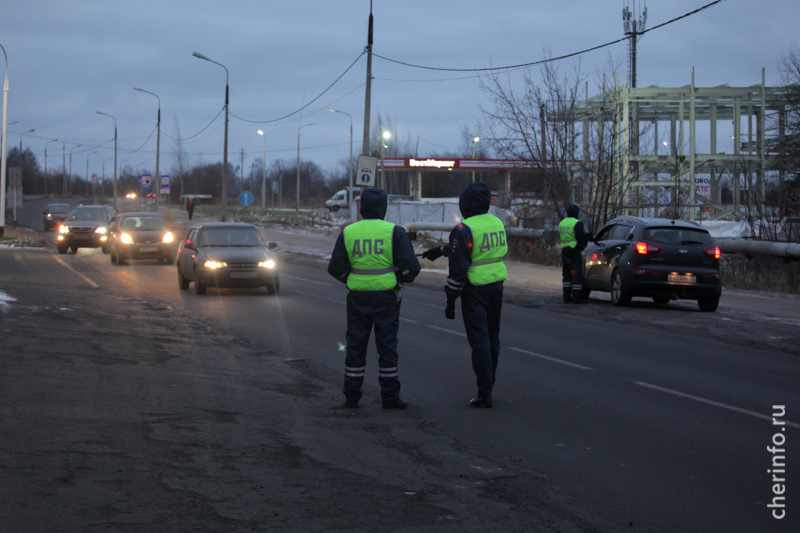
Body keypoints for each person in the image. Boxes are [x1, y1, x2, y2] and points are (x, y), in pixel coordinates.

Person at [327, 187, 421, 410]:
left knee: (355, 347)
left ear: (362, 207)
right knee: (387, 347)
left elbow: (335, 268)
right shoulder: (394, 232)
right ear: (383, 207)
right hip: (386, 299)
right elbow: (412, 268)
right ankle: (390, 397)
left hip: (358, 299)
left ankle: (351, 397)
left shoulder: (349, 232)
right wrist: (399, 280)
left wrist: (351, 280)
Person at [421, 182, 507, 408]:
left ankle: (484, 393)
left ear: (465, 204)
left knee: (479, 341)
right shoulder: (496, 223)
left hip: (475, 288)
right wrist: (441, 251)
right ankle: (489, 385)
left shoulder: (463, 228)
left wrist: (450, 300)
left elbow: (458, 271)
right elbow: (476, 248)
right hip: (496, 284)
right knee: (492, 339)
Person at [558, 203, 590, 303]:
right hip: (574, 251)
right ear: (577, 213)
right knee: (576, 275)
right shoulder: (577, 223)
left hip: (564, 251)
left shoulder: (562, 223)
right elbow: (581, 238)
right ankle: (576, 298)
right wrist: (581, 246)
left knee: (566, 275)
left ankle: (566, 297)